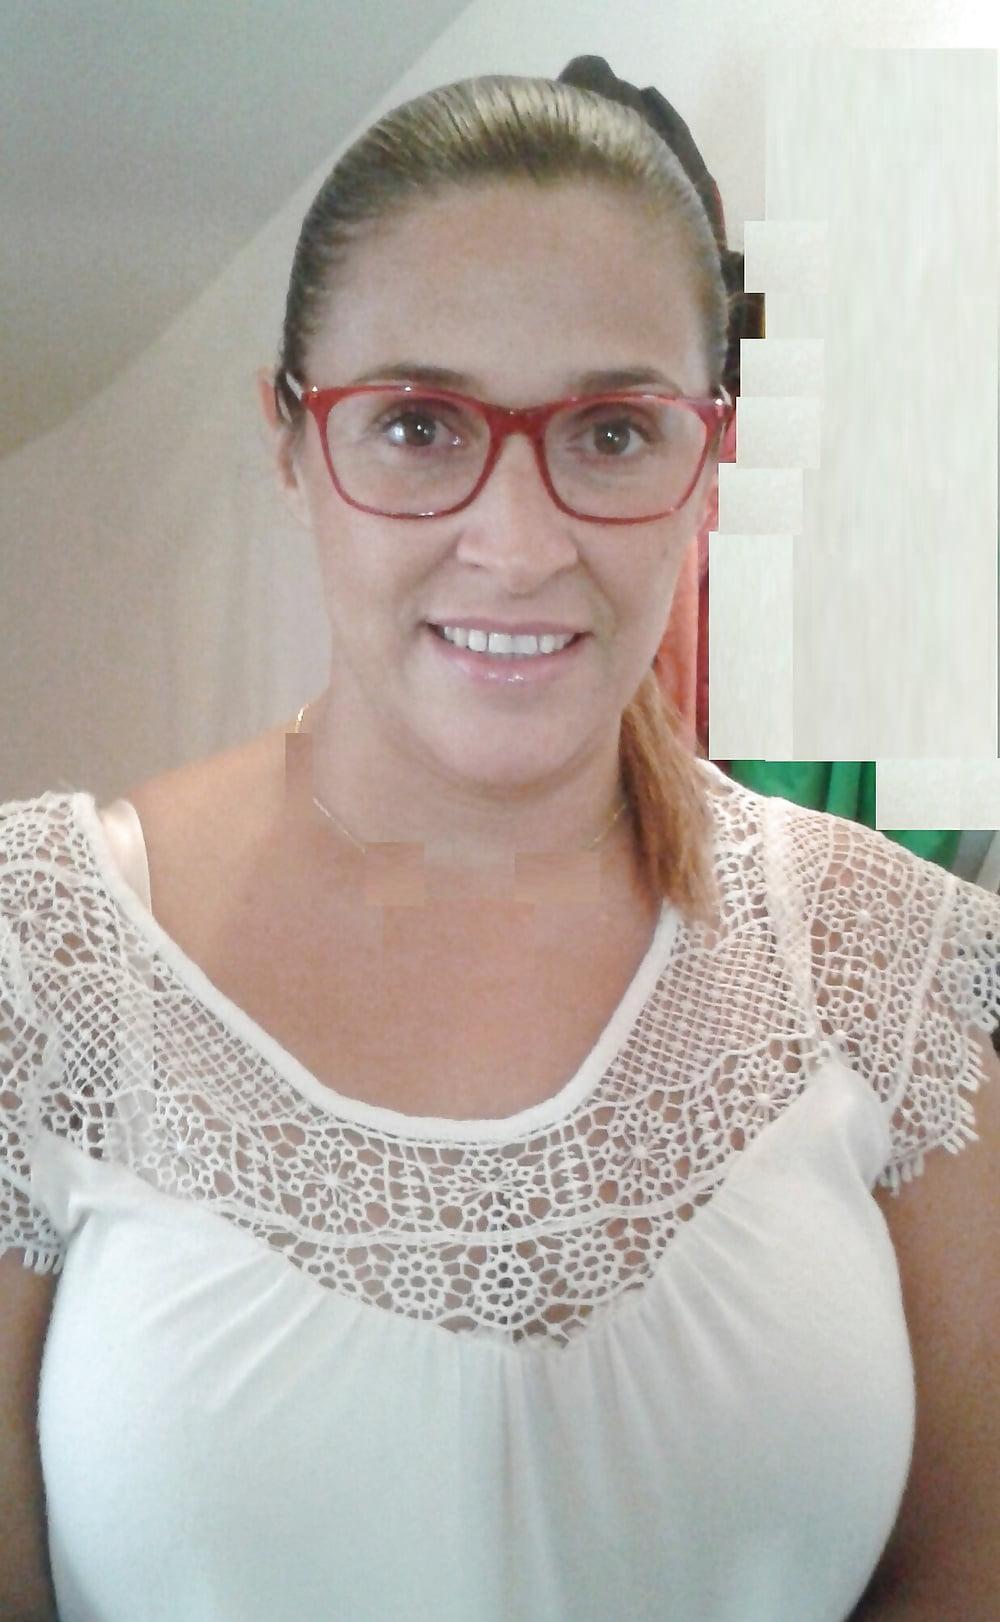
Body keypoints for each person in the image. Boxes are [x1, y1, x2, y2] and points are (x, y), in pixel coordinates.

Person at [1, 66, 998, 1622]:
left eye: (612, 430)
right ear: (289, 439)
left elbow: (968, 1559)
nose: (521, 545)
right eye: (416, 423)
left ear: (709, 456)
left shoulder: (895, 961)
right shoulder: (38, 955)